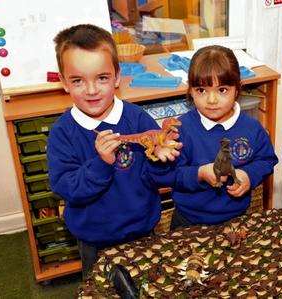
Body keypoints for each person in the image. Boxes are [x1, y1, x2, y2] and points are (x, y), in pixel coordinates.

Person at [47, 24, 181, 279]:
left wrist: (162, 158)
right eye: (78, 80)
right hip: (94, 239)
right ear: (64, 82)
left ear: (117, 77)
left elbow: (160, 178)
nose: (92, 89)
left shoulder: (137, 118)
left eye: (102, 78)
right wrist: (101, 163)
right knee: (100, 289)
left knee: (150, 284)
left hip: (143, 229)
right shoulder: (62, 133)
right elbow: (65, 187)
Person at [165, 45, 278, 229]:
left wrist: (248, 175)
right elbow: (169, 175)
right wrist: (200, 174)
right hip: (188, 221)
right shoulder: (180, 129)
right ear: (190, 91)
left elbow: (266, 160)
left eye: (222, 90)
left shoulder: (252, 128)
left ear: (237, 89)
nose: (211, 100)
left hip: (237, 219)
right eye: (201, 90)